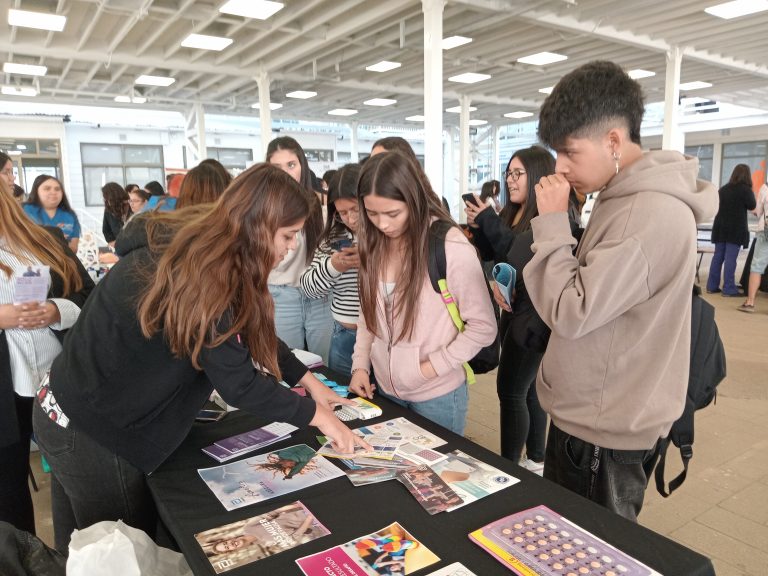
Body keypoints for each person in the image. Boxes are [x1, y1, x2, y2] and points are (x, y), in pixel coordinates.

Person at [32, 163, 369, 552]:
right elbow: (239, 382)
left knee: (81, 550)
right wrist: (316, 415)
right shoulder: (206, 273)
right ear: (258, 225)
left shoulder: (206, 245)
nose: (291, 247)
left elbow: (248, 330)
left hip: (65, 406)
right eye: (288, 235)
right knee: (122, 550)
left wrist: (307, 380)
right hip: (92, 432)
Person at [523, 60, 718, 521]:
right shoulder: (626, 198)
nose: (561, 167)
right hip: (607, 411)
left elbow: (572, 310)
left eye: (570, 152)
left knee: (585, 550)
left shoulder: (644, 214)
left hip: (603, 427)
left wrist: (551, 222)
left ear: (613, 140)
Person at [349, 151, 497, 435]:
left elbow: (483, 328)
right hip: (384, 388)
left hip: (437, 393)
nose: (382, 224)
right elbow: (368, 315)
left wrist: (428, 369)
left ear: (414, 201)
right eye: (371, 213)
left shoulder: (448, 244)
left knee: (437, 476)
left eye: (393, 213)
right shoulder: (373, 243)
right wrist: (360, 367)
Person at [0, 180, 93, 535]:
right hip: (6, 393)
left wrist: (57, 309)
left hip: (59, 381)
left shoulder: (46, 238)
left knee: (77, 479)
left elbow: (89, 296)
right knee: (8, 496)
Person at [464, 146, 559, 474]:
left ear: (537, 176)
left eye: (518, 173)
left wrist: (488, 219)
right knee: (529, 387)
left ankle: (510, 467)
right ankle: (536, 457)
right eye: (508, 173)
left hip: (533, 317)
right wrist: (478, 226)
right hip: (513, 309)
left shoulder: (546, 218)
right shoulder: (510, 213)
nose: (511, 179)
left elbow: (518, 253)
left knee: (511, 389)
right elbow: (494, 254)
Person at [266, 136, 333, 363]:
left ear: (302, 166)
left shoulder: (320, 206)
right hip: (281, 295)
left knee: (324, 365)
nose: (285, 172)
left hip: (319, 294)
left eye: (291, 165)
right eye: (277, 167)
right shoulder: (263, 210)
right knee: (288, 367)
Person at [300, 164, 362, 375]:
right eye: (343, 212)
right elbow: (308, 288)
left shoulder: (387, 235)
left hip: (382, 341)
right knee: (345, 400)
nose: (351, 219)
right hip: (343, 337)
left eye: (356, 209)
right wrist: (333, 266)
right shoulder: (332, 238)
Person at [706, 164, 756, 296]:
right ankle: (728, 288)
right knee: (730, 259)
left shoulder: (723, 189)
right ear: (747, 175)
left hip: (720, 227)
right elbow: (752, 205)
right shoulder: (745, 190)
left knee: (718, 256)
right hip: (735, 229)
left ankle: (712, 286)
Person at [23, 175, 81, 253]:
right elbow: (23, 242)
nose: (53, 192)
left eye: (57, 189)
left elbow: (73, 249)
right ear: (36, 191)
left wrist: (46, 240)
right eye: (47, 188)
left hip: (63, 262)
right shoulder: (24, 210)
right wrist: (58, 240)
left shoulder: (70, 215)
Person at [738, 182, 768, 313]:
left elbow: (758, 210)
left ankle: (750, 302)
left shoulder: (765, 187)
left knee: (757, 266)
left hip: (765, 231)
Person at [101, 182, 130, 248]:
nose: (106, 200)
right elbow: (106, 230)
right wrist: (112, 242)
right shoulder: (108, 209)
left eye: (107, 197)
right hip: (119, 248)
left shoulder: (131, 205)